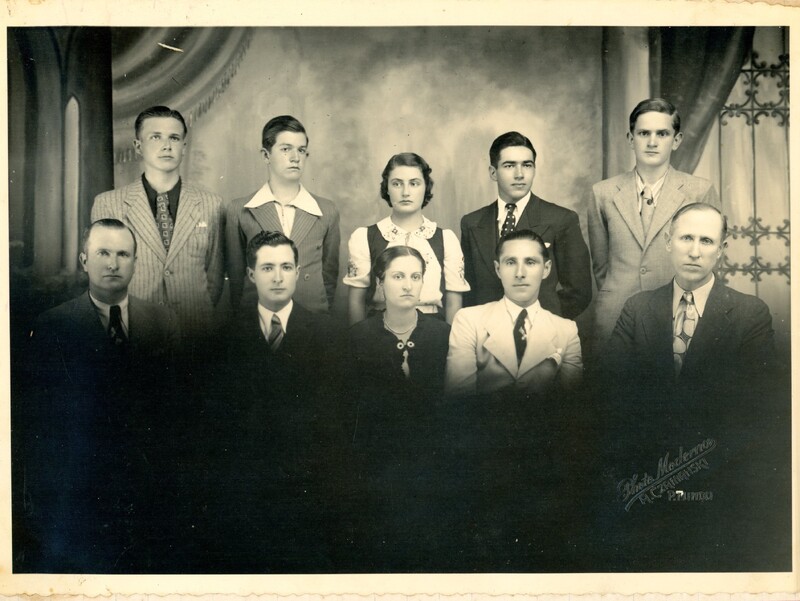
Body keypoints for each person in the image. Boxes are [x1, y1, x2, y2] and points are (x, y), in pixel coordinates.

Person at [591, 203, 790, 572]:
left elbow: (756, 406)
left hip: (719, 476)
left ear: (722, 248)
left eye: (706, 241)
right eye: (686, 238)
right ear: (668, 242)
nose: (695, 251)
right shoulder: (638, 308)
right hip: (645, 472)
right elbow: (612, 392)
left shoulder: (750, 313)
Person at [17, 219, 182, 573]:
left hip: (146, 492)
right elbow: (41, 427)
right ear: (84, 261)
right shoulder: (53, 326)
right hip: (79, 492)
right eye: (103, 253)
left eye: (123, 254)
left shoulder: (163, 322)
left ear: (135, 262)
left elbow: (173, 413)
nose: (113, 264)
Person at [203, 230, 339, 572]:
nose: (278, 277)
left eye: (286, 267)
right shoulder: (222, 337)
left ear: (297, 272)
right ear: (251, 275)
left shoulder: (328, 335)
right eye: (267, 268)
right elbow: (218, 429)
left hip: (309, 489)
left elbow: (334, 423)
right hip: (246, 491)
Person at [341, 245, 451, 571]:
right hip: (377, 465)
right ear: (380, 282)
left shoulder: (444, 335)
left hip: (433, 463)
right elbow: (349, 412)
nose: (407, 285)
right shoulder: (358, 337)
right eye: (398, 276)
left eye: (415, 277)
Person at [587, 98, 721, 350]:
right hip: (616, 314)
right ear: (631, 139)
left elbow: (709, 259)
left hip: (678, 315)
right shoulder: (603, 193)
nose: (652, 142)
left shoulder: (699, 191)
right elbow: (601, 266)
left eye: (662, 134)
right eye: (643, 133)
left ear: (676, 140)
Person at [91, 106, 224, 336]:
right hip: (136, 334)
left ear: (184, 146)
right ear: (138, 146)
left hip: (194, 333)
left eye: (174, 138)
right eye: (155, 137)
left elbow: (214, 277)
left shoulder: (211, 204)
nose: (166, 145)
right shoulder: (108, 204)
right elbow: (103, 277)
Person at [460, 131, 592, 319]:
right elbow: (468, 290)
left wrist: (544, 321)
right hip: (485, 329)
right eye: (509, 166)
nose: (520, 174)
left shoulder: (561, 219)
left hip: (540, 329)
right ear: (493, 172)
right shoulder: (472, 223)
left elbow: (579, 292)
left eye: (527, 165)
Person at [446, 229, 582, 398]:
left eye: (530, 262)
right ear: (498, 269)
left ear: (546, 269)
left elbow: (571, 402)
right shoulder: (469, 320)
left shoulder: (567, 330)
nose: (520, 273)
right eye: (510, 262)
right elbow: (459, 399)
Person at [226, 115, 340, 314]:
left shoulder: (326, 210)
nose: (295, 157)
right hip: (258, 318)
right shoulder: (240, 210)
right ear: (266, 155)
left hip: (311, 318)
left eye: (301, 150)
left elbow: (329, 276)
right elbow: (236, 279)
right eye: (286, 149)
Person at [344, 152, 469, 324]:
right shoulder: (365, 237)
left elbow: (454, 304)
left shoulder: (446, 239)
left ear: (425, 187)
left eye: (414, 183)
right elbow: (356, 302)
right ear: (387, 188)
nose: (405, 192)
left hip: (433, 329)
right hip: (379, 328)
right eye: (397, 184)